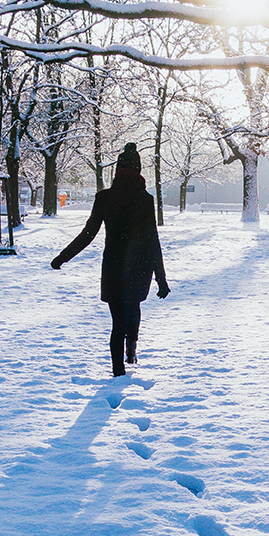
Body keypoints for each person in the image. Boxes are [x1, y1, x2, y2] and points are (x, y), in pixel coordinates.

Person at [51, 143, 170, 376]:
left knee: (118, 320)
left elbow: (88, 234)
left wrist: (62, 258)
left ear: (117, 171)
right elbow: (152, 241)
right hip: (140, 266)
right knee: (134, 307)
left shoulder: (104, 198)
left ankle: (118, 370)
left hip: (114, 266)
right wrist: (161, 279)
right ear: (139, 171)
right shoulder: (145, 200)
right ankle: (131, 351)